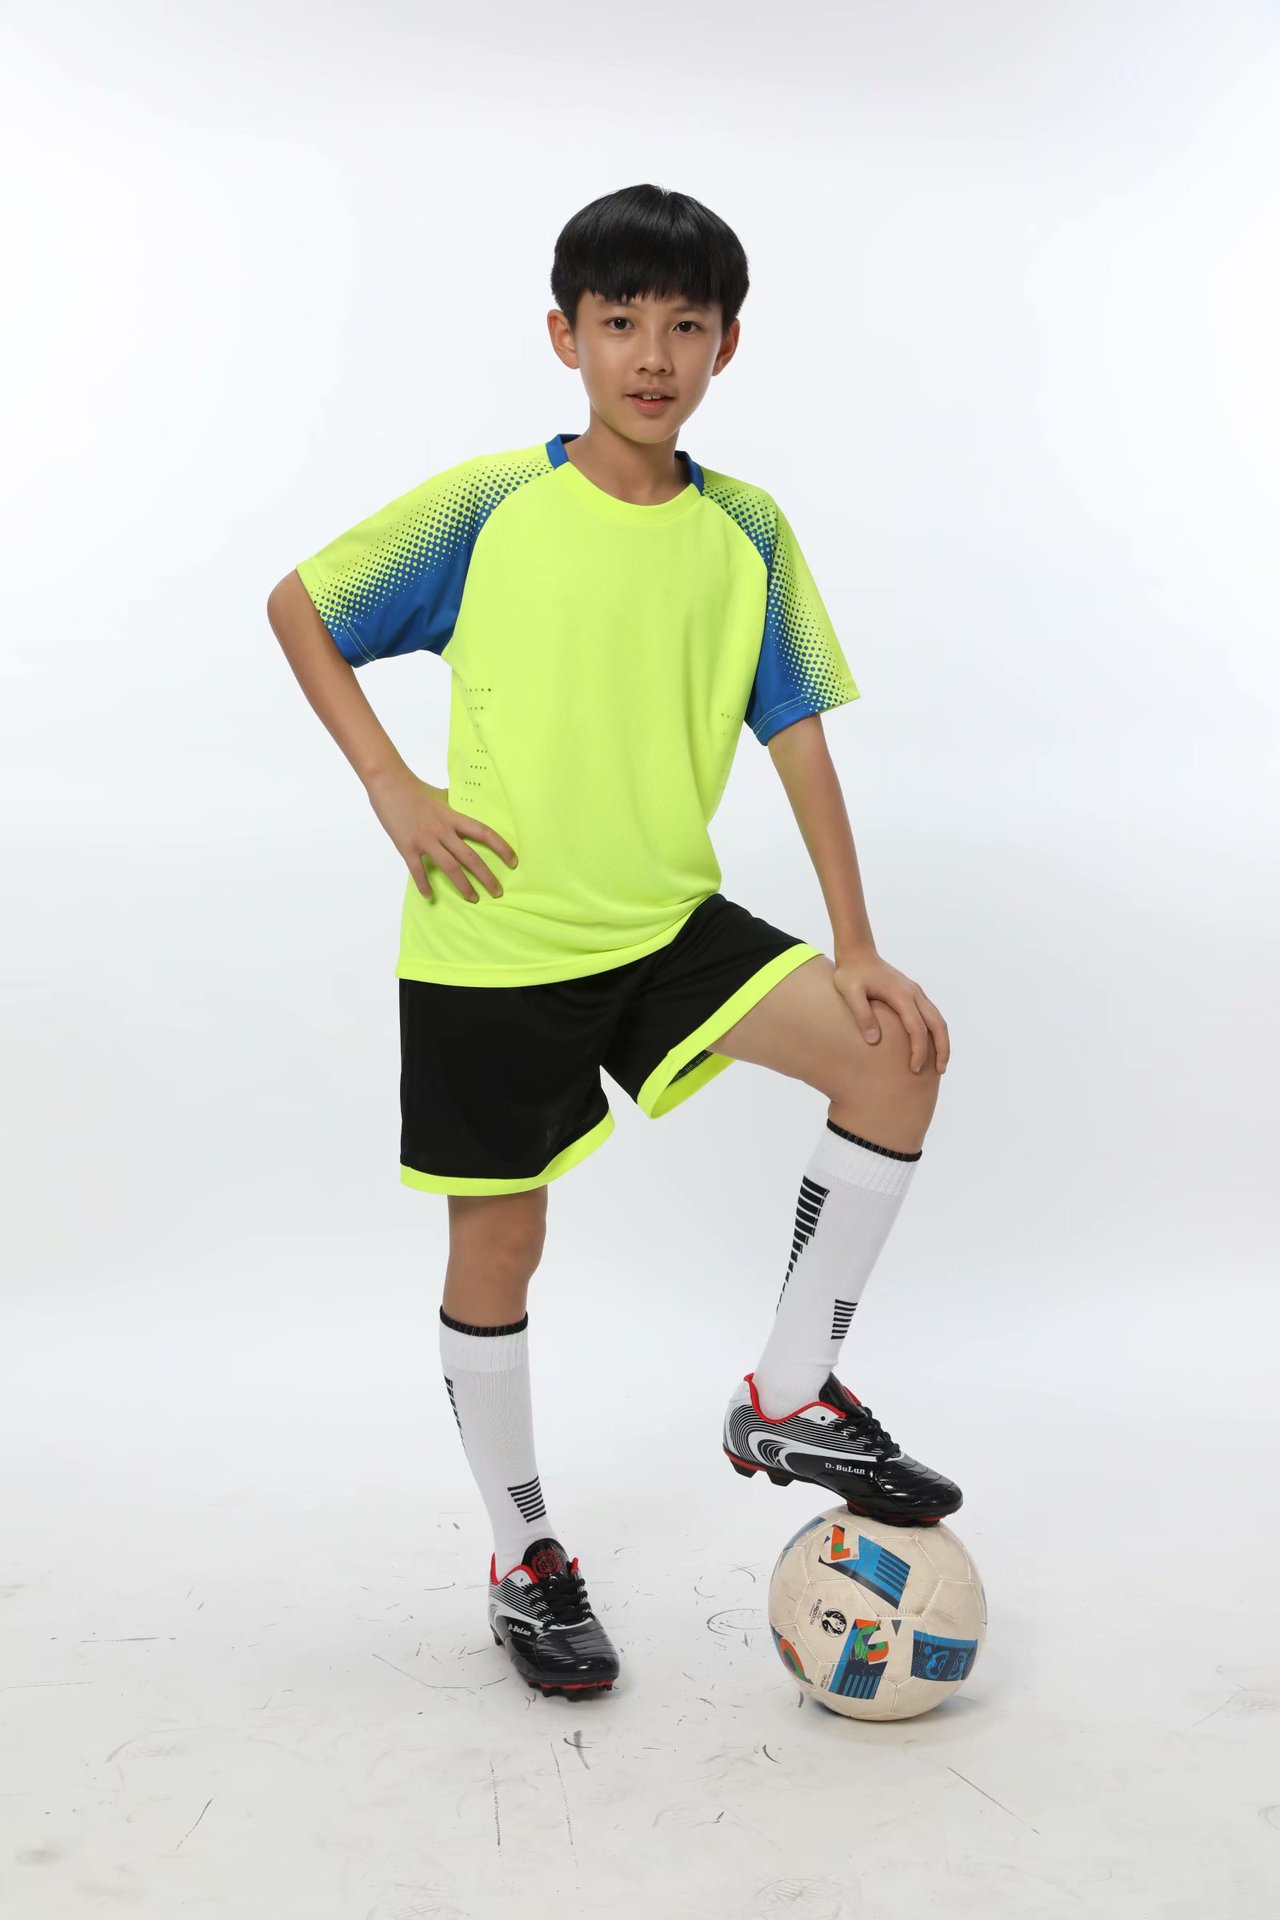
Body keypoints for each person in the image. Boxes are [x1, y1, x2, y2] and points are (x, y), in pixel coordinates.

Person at [267, 182, 959, 1701]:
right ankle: (524, 1554)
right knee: (500, 1245)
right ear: (565, 336)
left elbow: (797, 731)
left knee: (897, 1054)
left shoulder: (747, 528)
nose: (653, 353)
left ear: (727, 345)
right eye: (621, 321)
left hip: (663, 924)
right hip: (495, 939)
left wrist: (853, 940)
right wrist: (392, 785)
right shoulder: (488, 507)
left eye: (685, 325)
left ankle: (789, 1393)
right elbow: (302, 605)